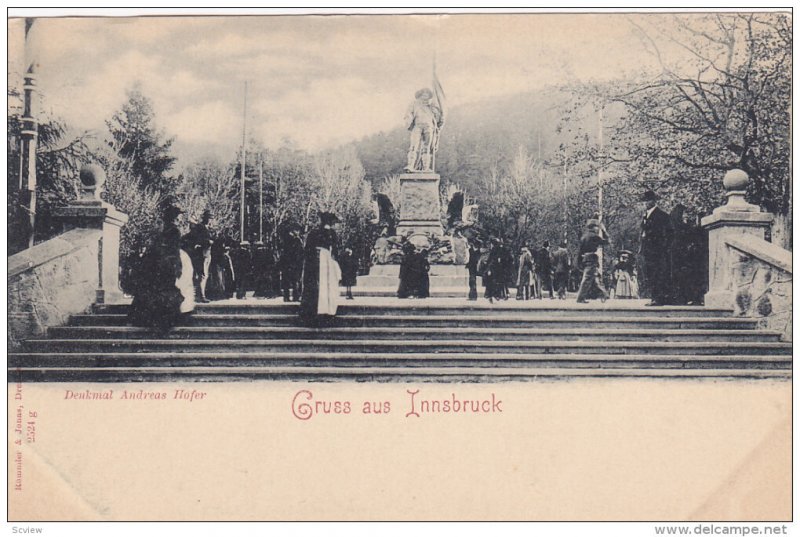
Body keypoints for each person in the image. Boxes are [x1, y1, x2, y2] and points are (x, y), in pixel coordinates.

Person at [129, 204, 193, 331]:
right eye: (179, 215)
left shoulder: (162, 229)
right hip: (167, 264)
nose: (180, 218)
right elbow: (174, 250)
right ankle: (165, 320)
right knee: (166, 291)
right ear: (174, 217)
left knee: (156, 291)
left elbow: (156, 247)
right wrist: (177, 266)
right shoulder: (174, 230)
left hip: (157, 264)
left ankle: (150, 318)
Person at [300, 212, 341, 326]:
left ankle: (311, 313)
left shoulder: (313, 233)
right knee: (326, 285)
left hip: (314, 261)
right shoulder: (331, 233)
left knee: (315, 285)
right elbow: (335, 249)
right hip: (326, 260)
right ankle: (325, 311)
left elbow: (307, 249)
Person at [640, 190, 673, 306]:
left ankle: (659, 298)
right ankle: (654, 297)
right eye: (644, 201)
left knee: (658, 273)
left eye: (648, 201)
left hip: (657, 250)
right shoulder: (646, 215)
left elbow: (670, 233)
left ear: (653, 201)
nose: (645, 203)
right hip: (648, 250)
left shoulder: (662, 215)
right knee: (650, 274)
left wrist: (663, 247)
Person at [405, 87, 443, 172]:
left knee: (427, 147)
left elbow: (438, 118)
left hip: (429, 127)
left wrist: (439, 115)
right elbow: (409, 113)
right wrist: (408, 120)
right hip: (417, 126)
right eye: (423, 93)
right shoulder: (414, 104)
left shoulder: (432, 106)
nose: (425, 95)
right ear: (420, 95)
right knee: (414, 146)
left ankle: (426, 168)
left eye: (427, 94)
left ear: (429, 96)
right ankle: (410, 165)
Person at [183, 210, 213, 303]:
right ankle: (201, 296)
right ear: (206, 218)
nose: (210, 220)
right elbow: (194, 238)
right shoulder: (200, 227)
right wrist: (207, 242)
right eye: (209, 218)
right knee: (202, 275)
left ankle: (200, 295)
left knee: (204, 275)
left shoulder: (207, 228)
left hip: (207, 254)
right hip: (202, 254)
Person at [576, 220, 609, 303]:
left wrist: (579, 262)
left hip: (585, 258)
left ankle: (604, 294)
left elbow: (580, 251)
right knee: (587, 278)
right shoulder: (594, 236)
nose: (597, 228)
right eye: (597, 227)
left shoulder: (584, 237)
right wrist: (604, 231)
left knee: (594, 277)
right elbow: (607, 242)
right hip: (592, 258)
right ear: (594, 227)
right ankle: (580, 298)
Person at [279, 227, 304, 302]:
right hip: (294, 263)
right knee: (295, 281)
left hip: (286, 263)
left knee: (287, 281)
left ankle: (286, 297)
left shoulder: (284, 239)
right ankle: (296, 296)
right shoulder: (297, 240)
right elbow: (300, 253)